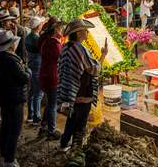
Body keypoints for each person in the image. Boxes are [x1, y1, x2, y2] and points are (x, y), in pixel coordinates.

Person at [58, 19, 108, 152]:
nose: (87, 32)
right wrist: (103, 55)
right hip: (82, 92)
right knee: (80, 124)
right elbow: (94, 69)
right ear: (79, 33)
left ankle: (64, 144)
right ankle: (76, 150)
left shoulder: (66, 47)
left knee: (71, 119)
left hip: (69, 92)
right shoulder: (80, 49)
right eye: (85, 30)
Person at [0, 29, 31, 167]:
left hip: (3, 96)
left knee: (6, 127)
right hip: (14, 97)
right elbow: (24, 78)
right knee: (14, 129)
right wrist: (27, 69)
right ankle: (10, 159)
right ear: (11, 46)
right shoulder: (12, 61)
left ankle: (3, 156)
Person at [38, 17, 63, 139]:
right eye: (60, 28)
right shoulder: (54, 44)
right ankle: (51, 130)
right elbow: (60, 59)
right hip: (52, 76)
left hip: (44, 74)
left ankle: (43, 126)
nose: (62, 30)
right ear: (55, 30)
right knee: (53, 104)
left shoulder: (45, 41)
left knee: (49, 103)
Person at [25, 16, 45, 124]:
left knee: (32, 91)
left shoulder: (28, 37)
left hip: (31, 64)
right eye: (41, 24)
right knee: (38, 93)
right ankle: (37, 117)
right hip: (38, 65)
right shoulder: (37, 38)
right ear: (38, 26)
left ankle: (30, 115)